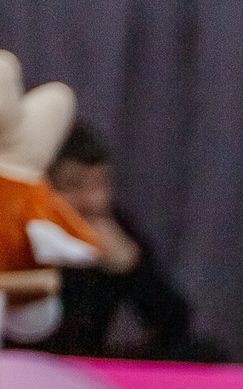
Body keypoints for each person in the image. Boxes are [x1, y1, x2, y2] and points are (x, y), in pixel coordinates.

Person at [38, 122, 207, 362]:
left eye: (100, 184)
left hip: (90, 365)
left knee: (202, 352)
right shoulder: (18, 230)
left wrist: (131, 267)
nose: (92, 201)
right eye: (73, 185)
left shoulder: (114, 224)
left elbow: (174, 323)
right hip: (25, 361)